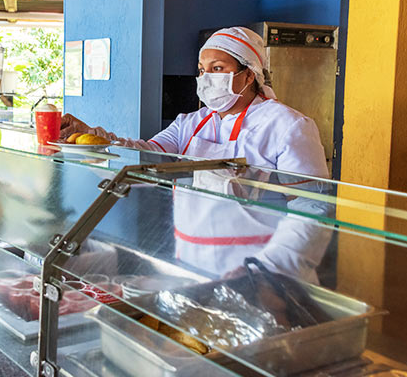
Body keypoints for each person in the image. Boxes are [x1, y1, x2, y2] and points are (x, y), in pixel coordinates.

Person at [60, 27, 332, 283]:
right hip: (191, 266)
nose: (206, 78)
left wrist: (268, 270)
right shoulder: (190, 123)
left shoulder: (287, 126)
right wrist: (95, 139)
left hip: (254, 274)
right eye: (202, 71)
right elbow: (146, 158)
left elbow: (312, 208)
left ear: (249, 75)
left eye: (217, 69)